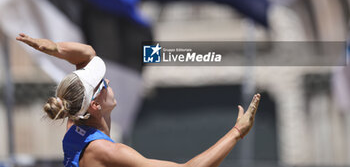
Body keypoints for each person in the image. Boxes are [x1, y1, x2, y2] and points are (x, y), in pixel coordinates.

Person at [16, 33, 261, 167]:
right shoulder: (107, 151)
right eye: (103, 84)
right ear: (95, 105)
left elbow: (88, 54)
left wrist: (54, 47)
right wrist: (237, 132)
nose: (109, 82)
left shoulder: (76, 122)